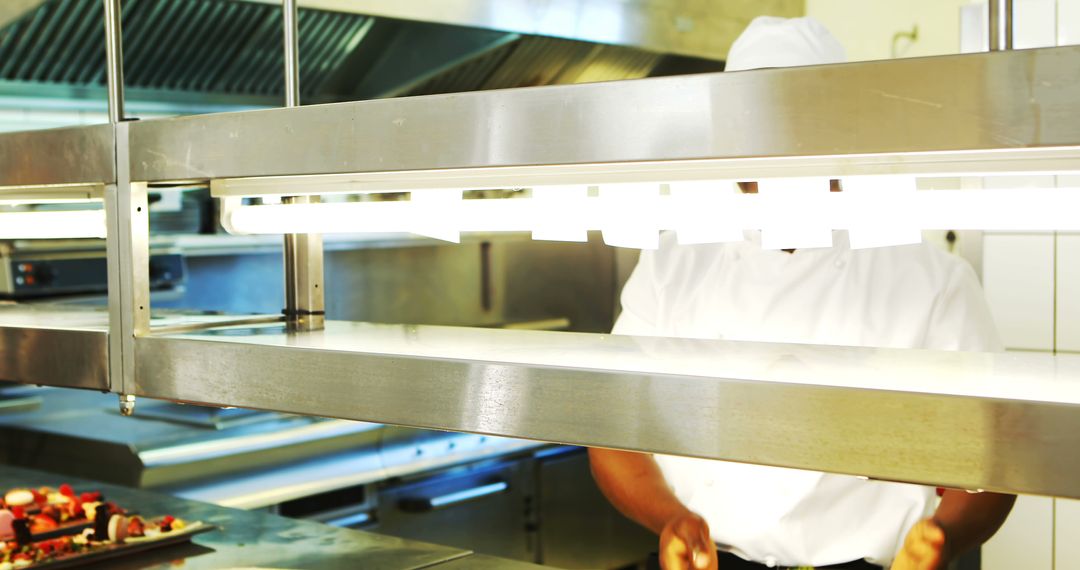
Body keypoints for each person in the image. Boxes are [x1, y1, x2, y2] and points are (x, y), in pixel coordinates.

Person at [588, 16, 1015, 570]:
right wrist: (669, 518)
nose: (778, 156)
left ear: (840, 131)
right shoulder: (676, 263)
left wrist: (942, 537)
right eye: (758, 131)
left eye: (799, 128)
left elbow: (997, 457)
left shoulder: (929, 279)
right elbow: (611, 432)